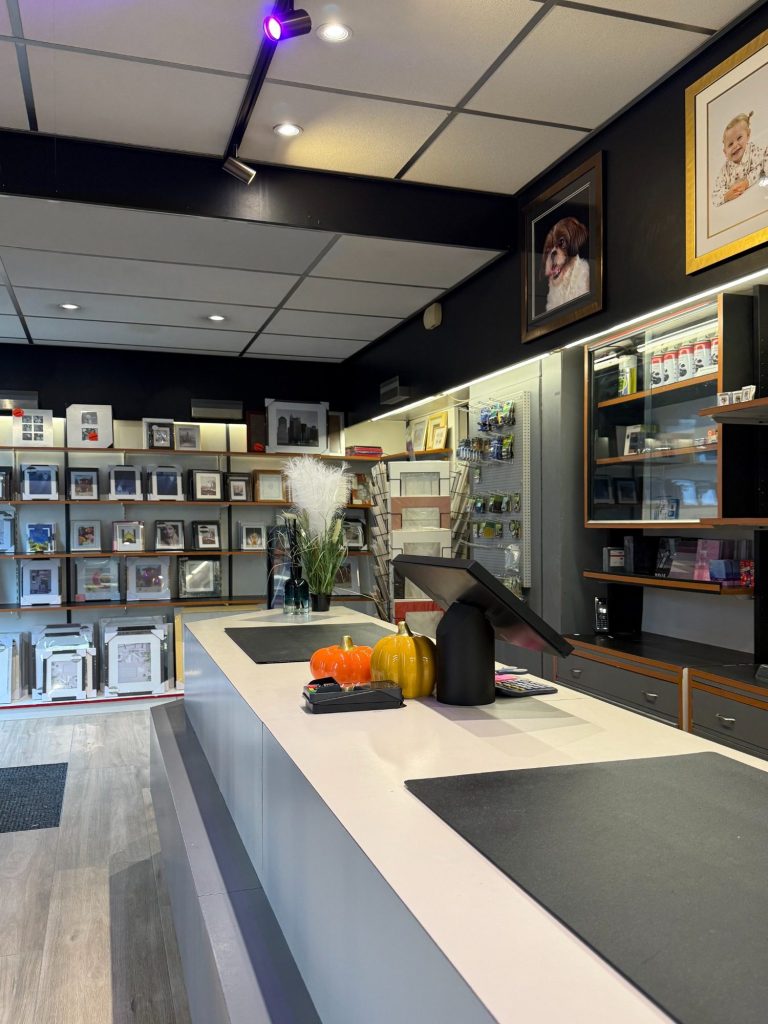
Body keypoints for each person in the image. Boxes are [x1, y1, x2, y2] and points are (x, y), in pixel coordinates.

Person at [711, 111, 764, 206]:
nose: (735, 145)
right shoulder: (725, 171)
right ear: (725, 152)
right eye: (730, 144)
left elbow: (762, 166)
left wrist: (747, 182)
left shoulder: (752, 151)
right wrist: (726, 196)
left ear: (748, 135)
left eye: (739, 138)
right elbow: (715, 196)